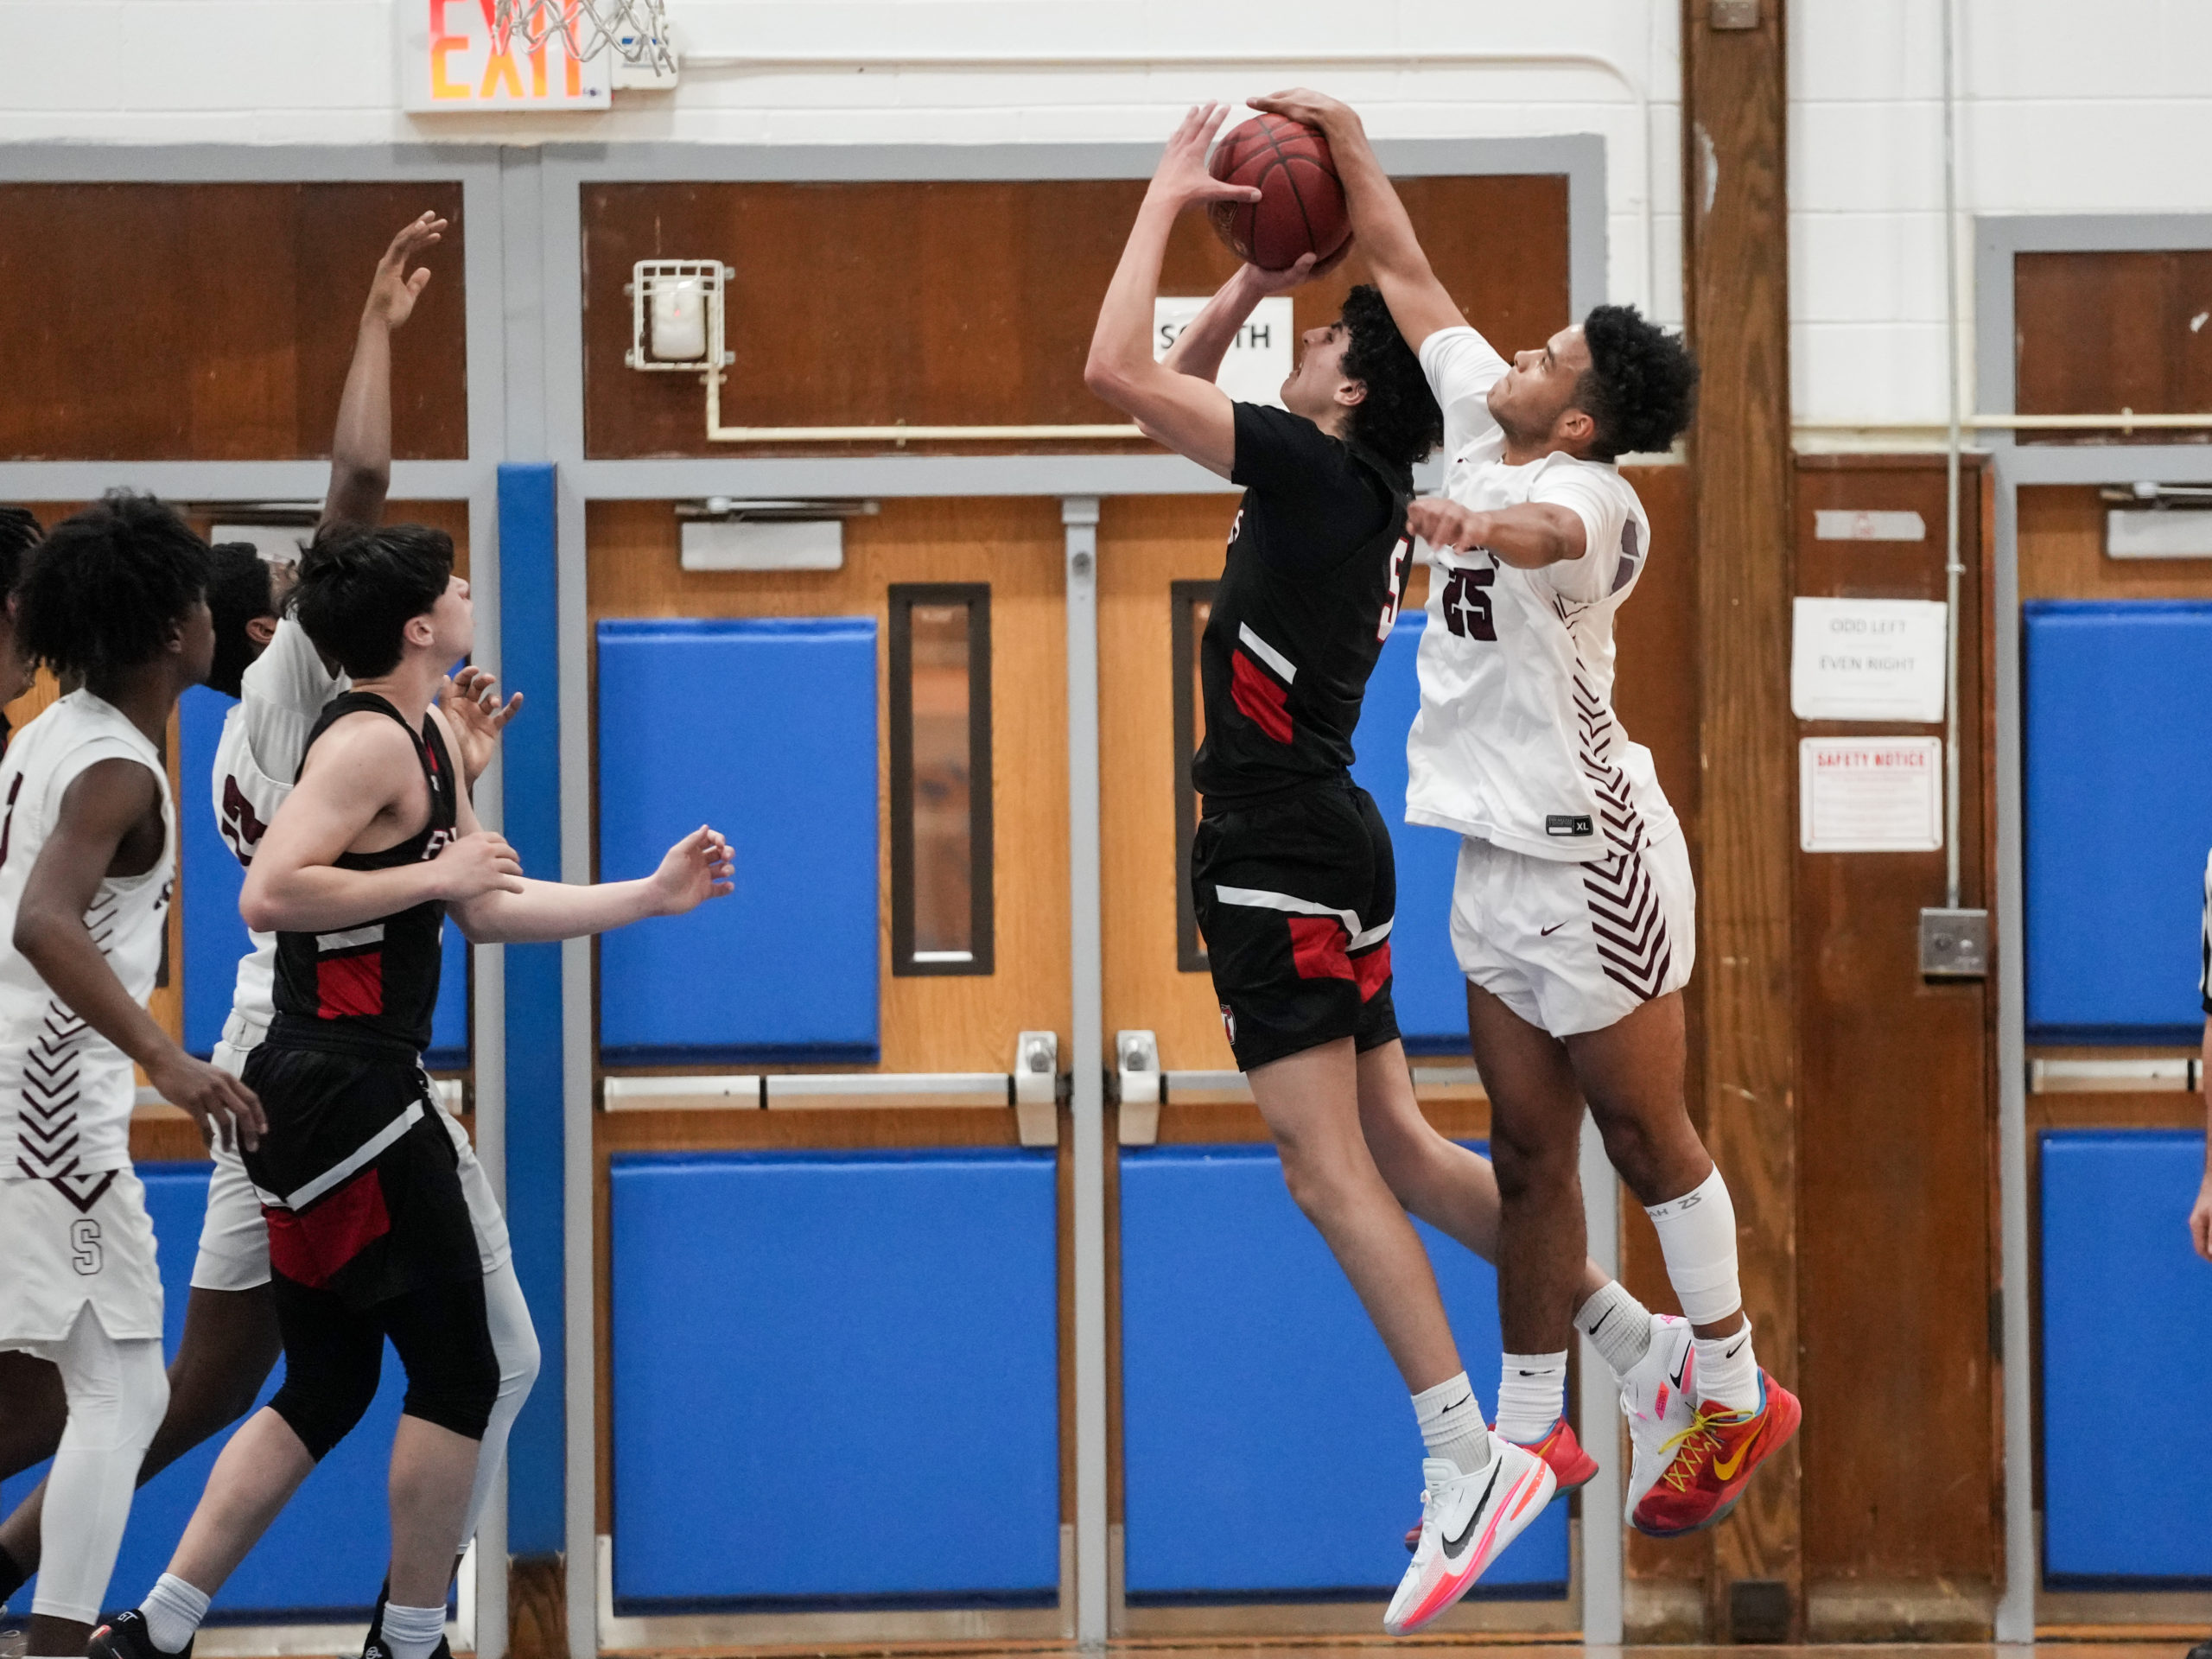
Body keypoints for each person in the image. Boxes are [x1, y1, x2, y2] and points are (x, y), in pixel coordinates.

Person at [1085, 106, 1694, 1631]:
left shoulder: (1308, 470)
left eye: (1302, 350)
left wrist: (1168, 202)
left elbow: (1109, 376)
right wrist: (1242, 278)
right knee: (1413, 1156)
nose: (1277, 361)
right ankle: (1633, 1344)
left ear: (1343, 392)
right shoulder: (1338, 484)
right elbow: (1180, 379)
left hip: (1278, 846)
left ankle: (1461, 1457)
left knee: (1323, 1170)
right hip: (1333, 838)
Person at [1253, 87, 1797, 1541]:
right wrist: (1350, 143)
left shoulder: (1594, 496)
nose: (1518, 351)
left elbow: (1546, 534)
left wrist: (1476, 523)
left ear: (1581, 414)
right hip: (1487, 859)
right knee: (1527, 1152)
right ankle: (1539, 1434)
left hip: (1596, 855)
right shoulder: (1490, 409)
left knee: (1641, 1129)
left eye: (1550, 355)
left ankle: (1733, 1385)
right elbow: (1410, 265)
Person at [0, 215, 531, 1632]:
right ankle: (400, 1622)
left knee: (231, 1382)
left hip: (267, 1053)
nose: (308, 584)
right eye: (279, 591)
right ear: (245, 632)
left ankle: (132, 1615)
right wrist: (373, 322)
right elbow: (356, 483)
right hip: (294, 1060)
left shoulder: (203, 744)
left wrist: (458, 773)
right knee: (474, 1363)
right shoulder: (303, 699)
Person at [91, 519, 731, 1659]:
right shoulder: (366, 744)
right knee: (469, 1368)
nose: (473, 582)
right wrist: (436, 866)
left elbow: (485, 906)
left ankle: (158, 1630)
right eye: (453, 580)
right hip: (342, 1082)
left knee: (330, 1383)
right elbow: (271, 894)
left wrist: (649, 896)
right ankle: (412, 1638)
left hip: (336, 1085)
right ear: (419, 625)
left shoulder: (427, 732)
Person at [0, 494, 267, 1659]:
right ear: (171, 626)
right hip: (46, 1125)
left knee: (84, 1393)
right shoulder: (118, 770)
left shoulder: (49, 734)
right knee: (120, 1392)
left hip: (26, 1106)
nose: (216, 616)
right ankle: (61, 1645)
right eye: (203, 598)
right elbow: (42, 922)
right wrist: (166, 1056)